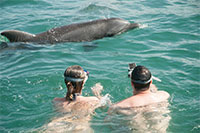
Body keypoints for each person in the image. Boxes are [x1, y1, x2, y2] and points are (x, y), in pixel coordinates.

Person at [107, 65, 171, 132]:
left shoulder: (118, 106)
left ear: (132, 83)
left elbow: (108, 124)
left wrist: (98, 95)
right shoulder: (164, 95)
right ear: (151, 82)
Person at [42, 65, 104, 133]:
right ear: (83, 83)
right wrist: (97, 93)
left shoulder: (56, 101)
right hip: (80, 128)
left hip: (55, 126)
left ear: (66, 82)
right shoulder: (93, 100)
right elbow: (103, 107)